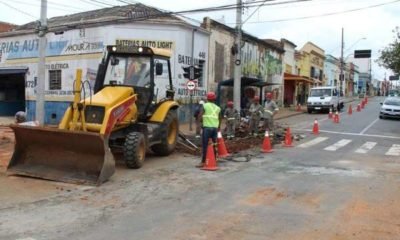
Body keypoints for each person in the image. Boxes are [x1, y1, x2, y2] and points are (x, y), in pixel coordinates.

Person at [197, 92, 221, 168]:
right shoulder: (218, 108)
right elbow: (220, 119)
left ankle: (203, 162)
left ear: (207, 98)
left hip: (207, 128)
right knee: (214, 144)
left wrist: (200, 125)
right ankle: (215, 159)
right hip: (215, 129)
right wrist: (218, 128)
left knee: (205, 145)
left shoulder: (205, 106)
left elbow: (200, 116)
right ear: (214, 99)